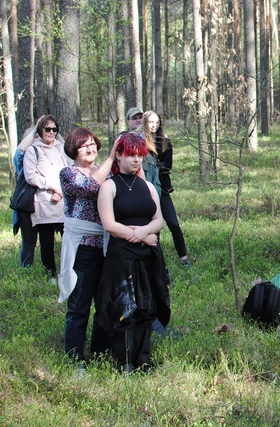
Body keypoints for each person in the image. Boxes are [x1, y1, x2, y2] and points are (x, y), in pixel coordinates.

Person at [96, 133, 170, 372]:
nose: (136, 160)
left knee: (146, 307)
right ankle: (124, 362)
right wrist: (138, 235)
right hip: (122, 256)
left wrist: (147, 231)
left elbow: (159, 219)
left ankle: (143, 359)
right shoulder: (109, 186)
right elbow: (108, 223)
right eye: (130, 155)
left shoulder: (148, 186)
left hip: (149, 255)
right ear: (118, 155)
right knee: (124, 308)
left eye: (139, 155)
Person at [58, 128, 117, 363]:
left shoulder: (106, 172)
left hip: (106, 246)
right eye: (84, 146)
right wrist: (112, 158)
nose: (91, 149)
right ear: (74, 149)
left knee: (105, 304)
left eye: (93, 144)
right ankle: (74, 358)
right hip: (83, 248)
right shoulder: (68, 173)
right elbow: (91, 187)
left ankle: (101, 353)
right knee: (79, 305)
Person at [23, 115, 73, 280]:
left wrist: (61, 191)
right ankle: (50, 275)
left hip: (64, 201)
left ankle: (69, 272)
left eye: (54, 129)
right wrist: (51, 186)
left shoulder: (62, 148)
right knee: (47, 242)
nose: (51, 132)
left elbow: (70, 169)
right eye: (47, 129)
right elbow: (31, 176)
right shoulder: (33, 150)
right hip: (45, 202)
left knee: (69, 240)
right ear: (40, 131)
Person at [142, 110, 191, 268]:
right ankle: (156, 261)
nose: (154, 125)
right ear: (145, 123)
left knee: (173, 223)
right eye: (151, 122)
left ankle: (184, 259)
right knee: (153, 226)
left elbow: (167, 166)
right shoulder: (140, 141)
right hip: (146, 189)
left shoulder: (165, 141)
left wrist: (155, 166)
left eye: (156, 122)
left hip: (162, 189)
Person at [13, 127, 39, 267]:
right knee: (29, 242)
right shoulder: (22, 160)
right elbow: (21, 150)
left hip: (50, 205)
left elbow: (66, 149)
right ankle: (26, 270)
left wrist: (53, 130)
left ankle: (51, 271)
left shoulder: (51, 155)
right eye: (33, 137)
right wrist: (36, 127)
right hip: (27, 205)